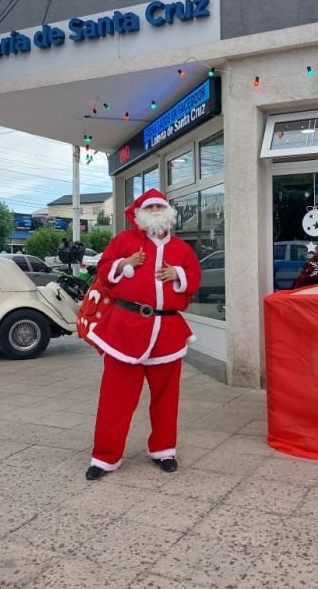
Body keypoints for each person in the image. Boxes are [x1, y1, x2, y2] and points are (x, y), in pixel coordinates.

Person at [85, 188, 201, 480]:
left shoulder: (182, 250)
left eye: (159, 208)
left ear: (168, 213)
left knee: (166, 397)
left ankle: (164, 450)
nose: (154, 213)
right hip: (125, 329)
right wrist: (125, 264)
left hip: (167, 331)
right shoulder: (125, 241)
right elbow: (103, 270)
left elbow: (194, 277)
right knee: (115, 397)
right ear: (139, 215)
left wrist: (178, 275)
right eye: (149, 208)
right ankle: (105, 457)